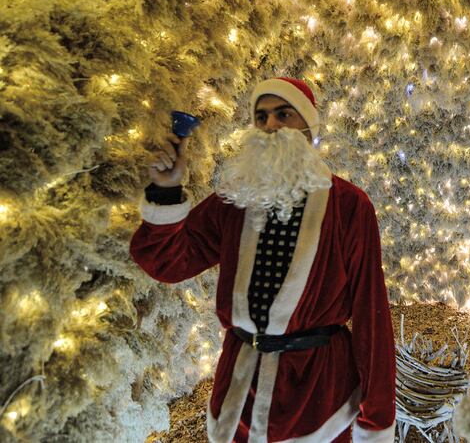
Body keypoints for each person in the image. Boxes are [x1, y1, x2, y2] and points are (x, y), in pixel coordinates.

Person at [129, 77, 396, 443]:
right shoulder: (235, 200)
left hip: (317, 398)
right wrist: (166, 189)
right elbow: (169, 262)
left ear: (307, 126)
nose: (270, 125)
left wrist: (376, 416)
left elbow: (371, 315)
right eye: (261, 116)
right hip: (240, 390)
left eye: (283, 114)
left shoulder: (349, 206)